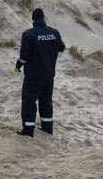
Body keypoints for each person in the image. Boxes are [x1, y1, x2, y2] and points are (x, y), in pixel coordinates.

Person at [13, 8, 65, 137]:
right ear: (43, 18)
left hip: (33, 75)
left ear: (33, 20)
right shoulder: (54, 32)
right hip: (49, 74)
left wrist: (17, 66)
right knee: (46, 100)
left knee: (29, 101)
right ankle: (47, 128)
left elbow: (24, 56)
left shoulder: (28, 34)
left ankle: (28, 130)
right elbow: (61, 47)